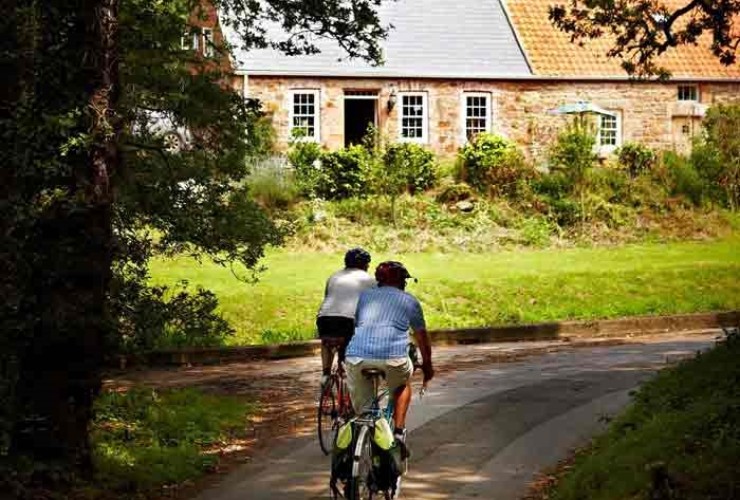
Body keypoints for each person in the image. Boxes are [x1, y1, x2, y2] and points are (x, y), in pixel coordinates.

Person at [344, 261, 434, 446]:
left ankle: (362, 437)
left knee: (364, 412)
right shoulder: (409, 300)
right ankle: (399, 432)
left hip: (356, 356)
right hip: (393, 357)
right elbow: (421, 337)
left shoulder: (365, 297)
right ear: (401, 281)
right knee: (401, 385)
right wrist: (427, 365)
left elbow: (358, 325)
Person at [316, 247, 376, 385]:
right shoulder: (369, 280)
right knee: (353, 343)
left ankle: (325, 375)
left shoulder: (334, 276)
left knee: (327, 342)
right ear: (365, 264)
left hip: (324, 318)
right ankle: (347, 373)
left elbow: (328, 297)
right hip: (348, 320)